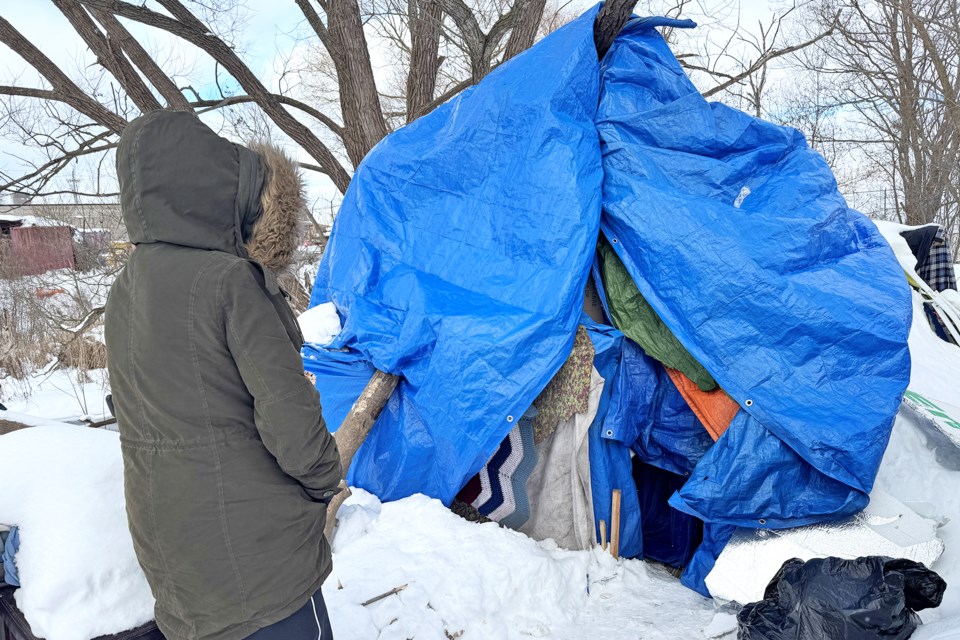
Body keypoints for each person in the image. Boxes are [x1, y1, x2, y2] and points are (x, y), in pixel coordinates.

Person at [104, 111, 342, 640]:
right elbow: (290, 419)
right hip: (257, 558)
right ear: (212, 186)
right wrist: (326, 480)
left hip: (171, 551)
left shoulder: (124, 288)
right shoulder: (230, 281)